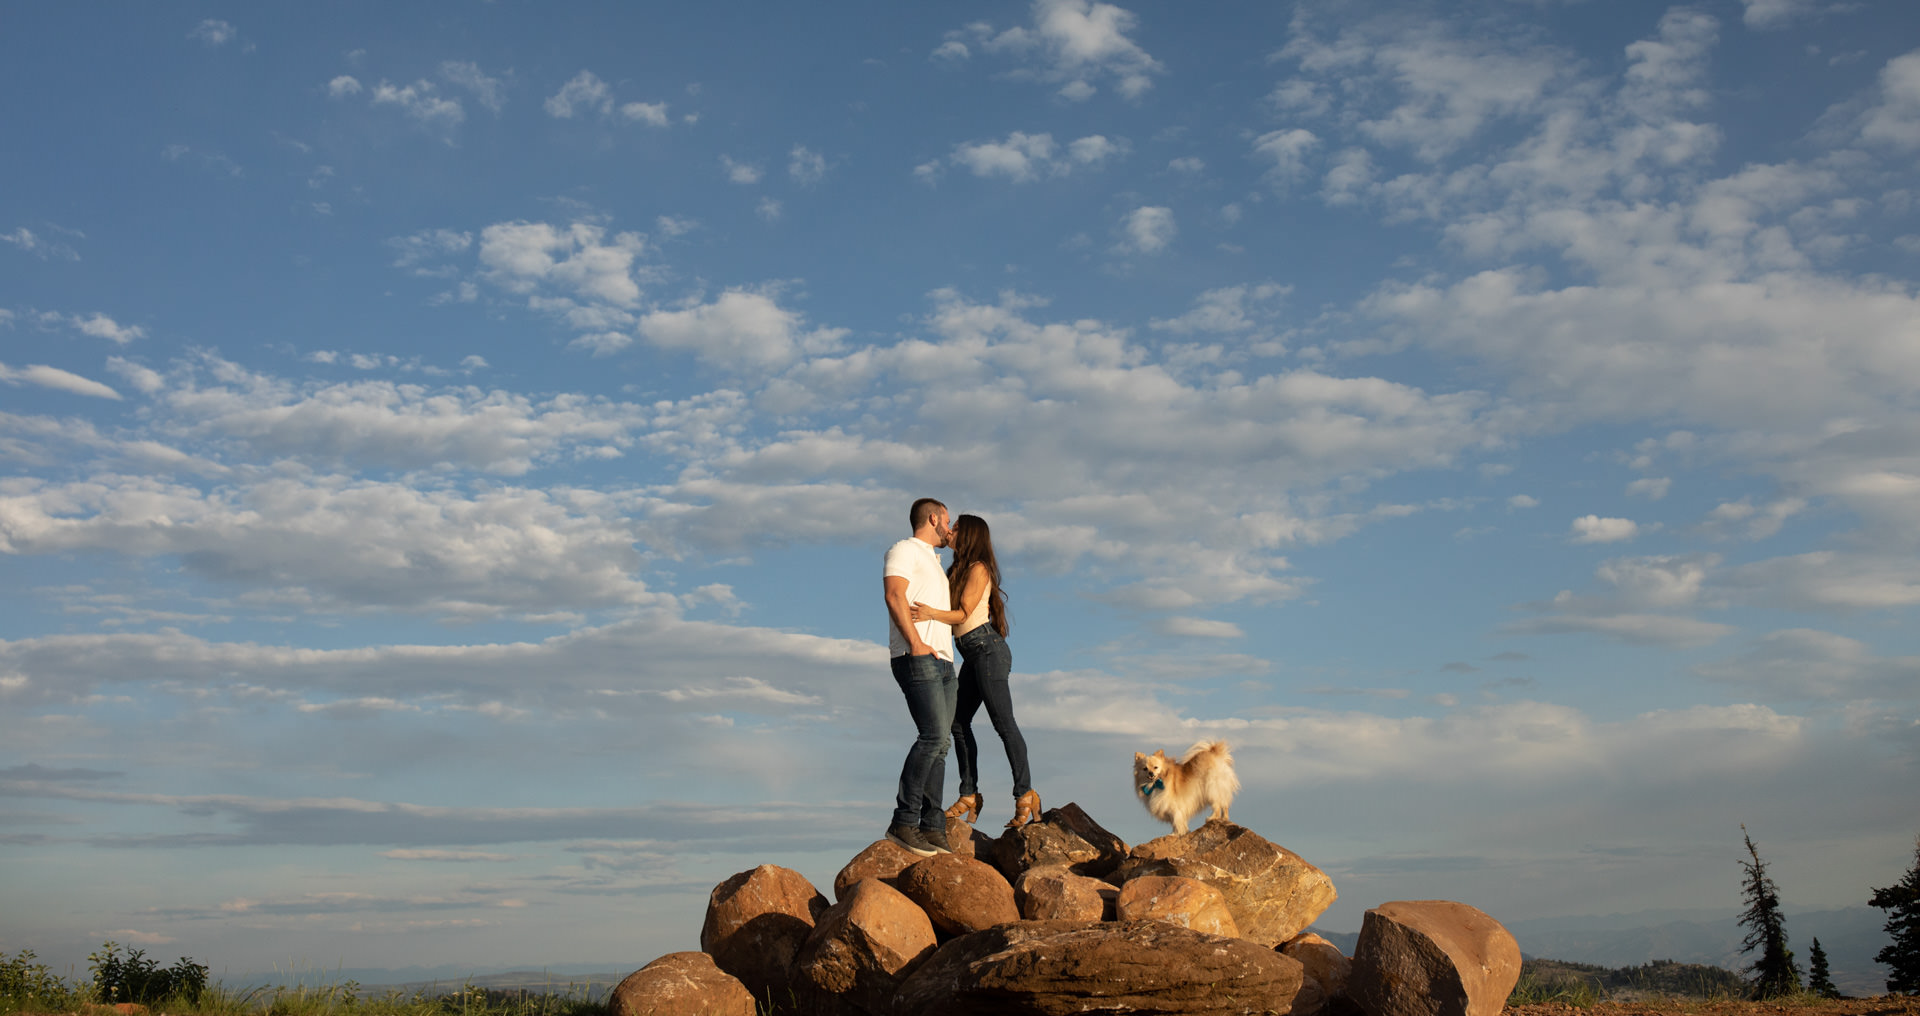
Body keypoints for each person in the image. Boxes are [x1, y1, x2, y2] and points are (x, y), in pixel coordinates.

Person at [909, 514, 1038, 828]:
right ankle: (969, 793)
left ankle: (1025, 793)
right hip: (973, 653)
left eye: (955, 529)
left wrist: (929, 614)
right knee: (957, 721)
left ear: (968, 535)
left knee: (1004, 724)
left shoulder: (979, 568)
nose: (950, 532)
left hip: (986, 650)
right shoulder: (958, 568)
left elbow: (964, 613)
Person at [881, 497, 956, 856]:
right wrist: (916, 643)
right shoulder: (903, 549)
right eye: (948, 520)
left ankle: (932, 826)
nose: (950, 528)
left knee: (941, 745)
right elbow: (894, 595)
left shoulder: (937, 562)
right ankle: (904, 821)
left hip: (944, 661)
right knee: (932, 736)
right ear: (933, 518)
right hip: (918, 655)